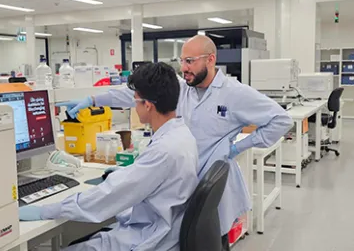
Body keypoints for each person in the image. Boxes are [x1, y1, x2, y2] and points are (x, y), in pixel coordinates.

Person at [63, 35, 293, 250]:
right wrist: (93, 99)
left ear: (211, 60)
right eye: (182, 61)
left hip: (203, 195)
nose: (184, 68)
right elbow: (132, 95)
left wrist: (237, 147)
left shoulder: (235, 93)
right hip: (179, 188)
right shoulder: (183, 88)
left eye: (190, 61)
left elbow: (281, 120)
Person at [19, 62, 199, 251]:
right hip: (160, 227)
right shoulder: (181, 134)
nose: (134, 107)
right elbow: (151, 177)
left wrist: (47, 210)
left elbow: (108, 196)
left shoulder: (165, 149)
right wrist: (127, 172)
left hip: (149, 237)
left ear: (147, 105)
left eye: (135, 101)